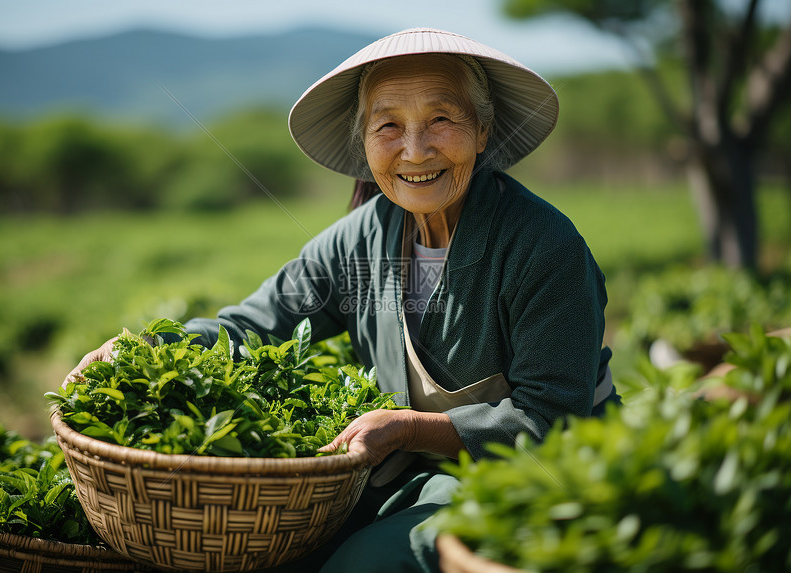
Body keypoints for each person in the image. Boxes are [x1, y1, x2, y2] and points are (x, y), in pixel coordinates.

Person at [67, 27, 619, 573]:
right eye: (389, 126)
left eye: (441, 120)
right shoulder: (361, 239)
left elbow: (549, 422)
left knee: (366, 563)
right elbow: (256, 324)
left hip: (533, 477)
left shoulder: (543, 248)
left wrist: (407, 427)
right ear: (365, 142)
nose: (415, 149)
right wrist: (143, 347)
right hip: (404, 474)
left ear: (483, 129)